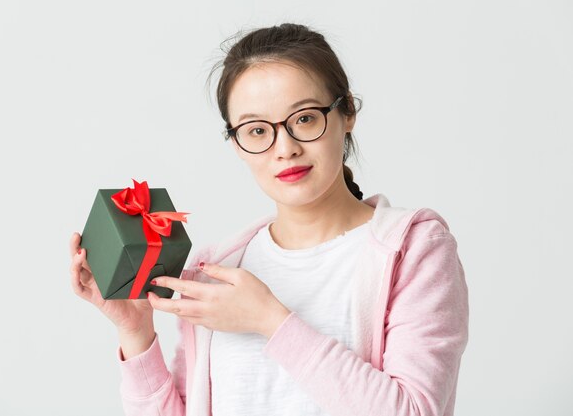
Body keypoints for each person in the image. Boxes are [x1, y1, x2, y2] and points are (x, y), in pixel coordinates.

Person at [69, 22, 469, 416]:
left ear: (347, 112)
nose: (285, 148)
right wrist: (136, 334)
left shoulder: (412, 248)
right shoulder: (218, 268)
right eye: (257, 130)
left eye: (305, 118)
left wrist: (270, 320)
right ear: (237, 142)